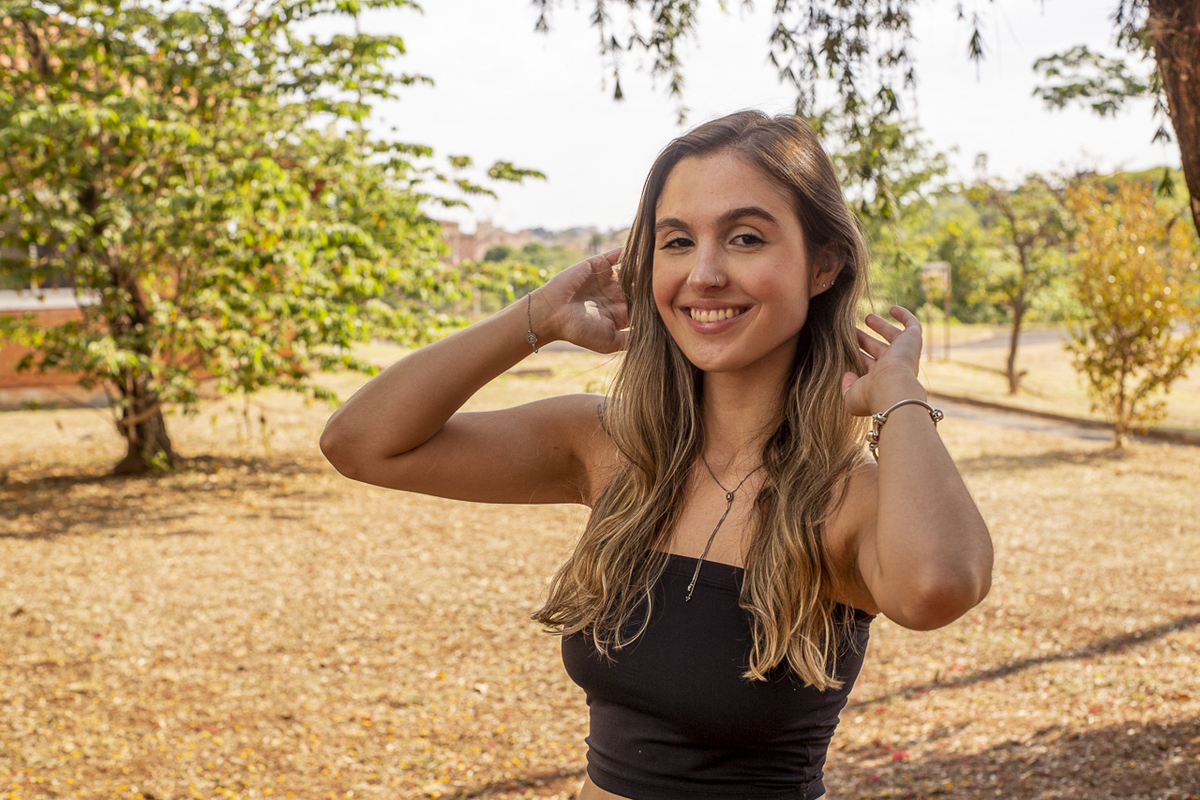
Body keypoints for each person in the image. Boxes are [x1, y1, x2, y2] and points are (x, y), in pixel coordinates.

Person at [319, 110, 993, 800]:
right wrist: (540, 318)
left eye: (746, 238)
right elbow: (361, 443)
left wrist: (900, 398)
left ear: (823, 264)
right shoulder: (610, 448)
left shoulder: (846, 500)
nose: (703, 273)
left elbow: (938, 587)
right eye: (676, 242)